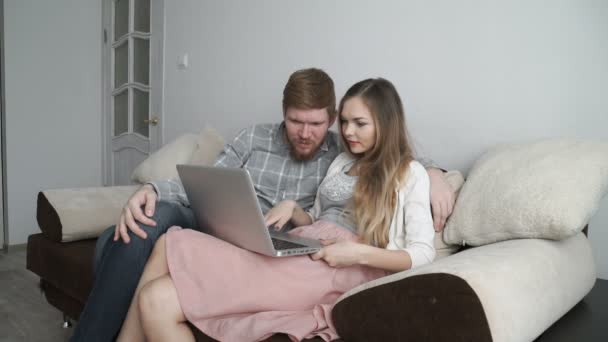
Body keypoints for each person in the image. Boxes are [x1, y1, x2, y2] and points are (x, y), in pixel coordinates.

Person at [70, 69, 453, 341]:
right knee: (161, 267)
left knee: (162, 276)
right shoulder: (341, 159)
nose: (348, 133)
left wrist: (435, 174)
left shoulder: (407, 172)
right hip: (305, 242)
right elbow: (320, 216)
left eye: (359, 124)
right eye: (348, 124)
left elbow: (421, 252)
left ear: (383, 124)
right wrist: (295, 209)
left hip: (344, 262)